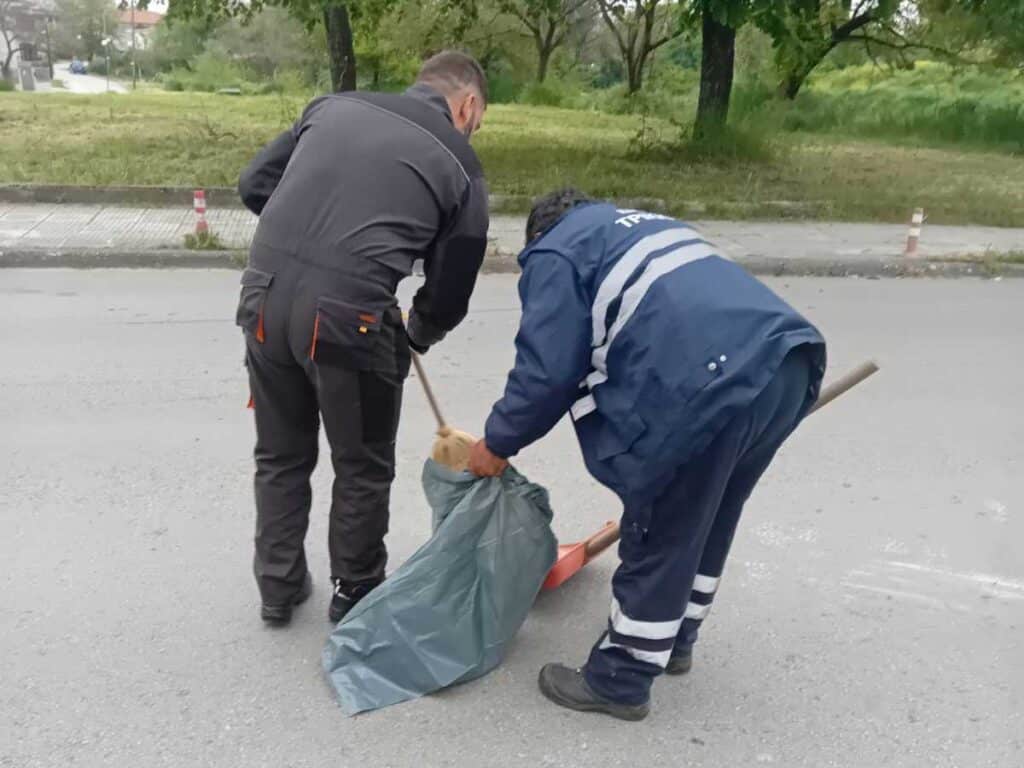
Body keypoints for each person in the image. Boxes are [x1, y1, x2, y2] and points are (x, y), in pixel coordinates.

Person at [468, 189, 827, 720]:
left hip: (712, 382)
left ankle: (622, 677)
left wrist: (496, 443)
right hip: (786, 363)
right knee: (711, 510)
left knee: (661, 518)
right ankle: (676, 638)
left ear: (538, 233)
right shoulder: (643, 225)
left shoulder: (557, 250)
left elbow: (547, 372)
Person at [235, 51, 489, 626]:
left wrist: (306, 236)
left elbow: (255, 184)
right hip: (352, 320)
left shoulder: (333, 106)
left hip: (263, 298)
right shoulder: (459, 160)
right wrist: (417, 333)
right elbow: (452, 287)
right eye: (479, 119)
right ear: (468, 104)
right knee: (363, 465)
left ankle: (277, 587)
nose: (476, 129)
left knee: (280, 453)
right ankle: (355, 590)